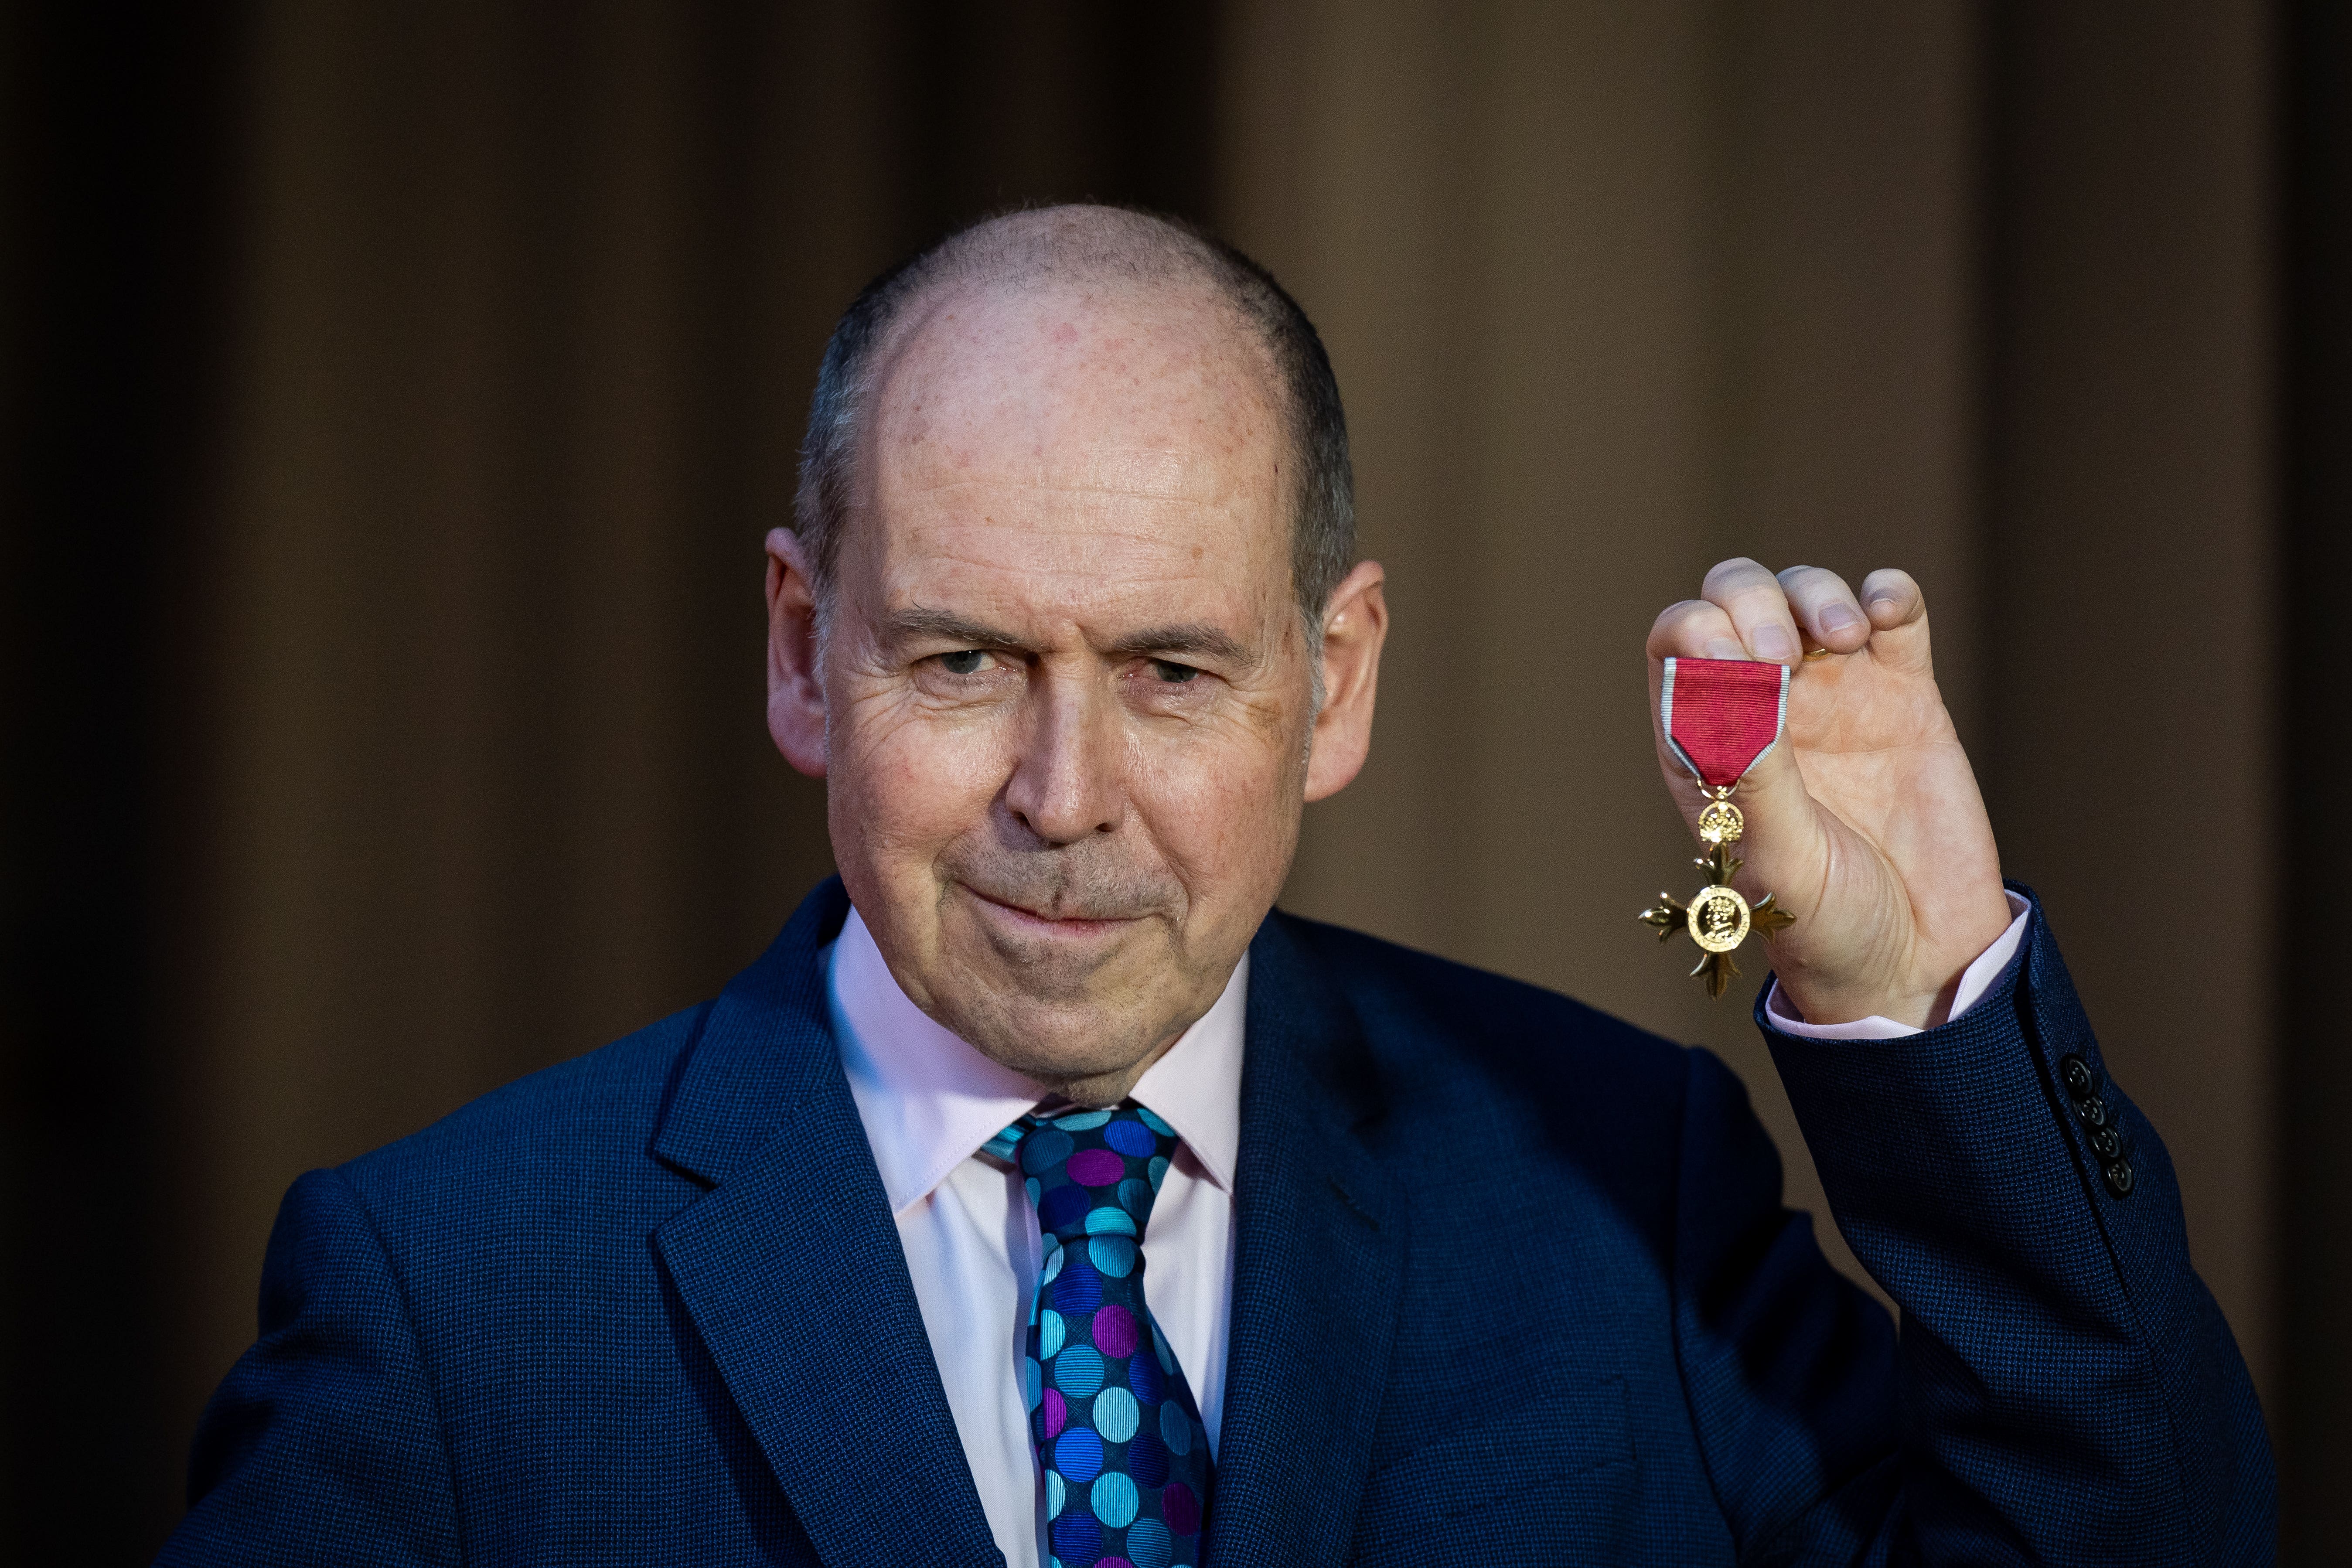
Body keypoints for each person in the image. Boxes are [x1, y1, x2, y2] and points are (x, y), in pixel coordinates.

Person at [160, 205, 2271, 1566]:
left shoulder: (1623, 1186)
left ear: (1330, 683)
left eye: (1172, 671)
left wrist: (1926, 1010)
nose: (1063, 798)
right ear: (803, 649)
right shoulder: (442, 1301)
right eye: (962, 659)